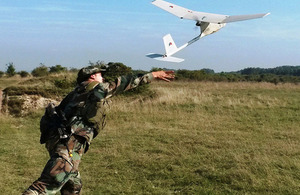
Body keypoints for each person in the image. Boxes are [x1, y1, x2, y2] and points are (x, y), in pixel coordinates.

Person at [23, 65, 175, 195]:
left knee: (73, 185)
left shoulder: (76, 93)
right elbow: (121, 84)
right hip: (68, 144)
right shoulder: (94, 89)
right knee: (47, 184)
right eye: (100, 75)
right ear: (93, 76)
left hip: (62, 142)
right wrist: (153, 75)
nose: (103, 78)